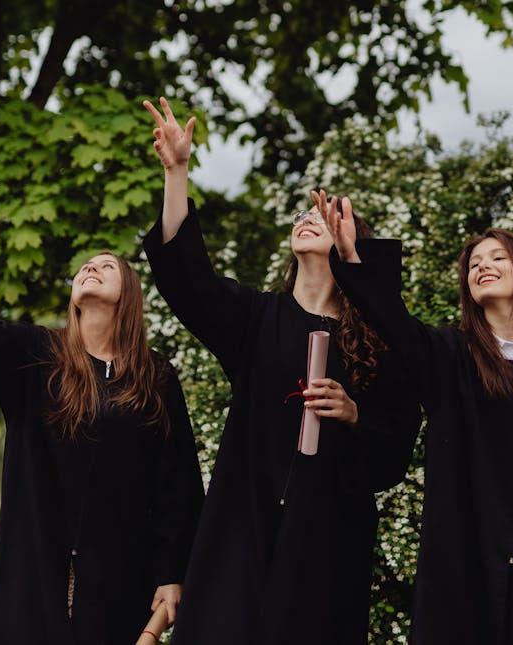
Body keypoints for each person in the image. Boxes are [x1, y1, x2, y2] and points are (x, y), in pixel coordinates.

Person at [142, 97, 421, 645]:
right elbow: (185, 276)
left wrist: (354, 413)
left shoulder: (380, 341)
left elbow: (395, 449)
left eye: (323, 217)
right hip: (241, 527)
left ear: (349, 243)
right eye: (303, 216)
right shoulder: (254, 318)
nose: (306, 219)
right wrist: (177, 172)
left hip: (326, 538)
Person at [321, 195, 513, 645]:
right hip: (463, 566)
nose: (482, 267)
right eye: (473, 265)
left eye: (497, 257)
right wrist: (353, 258)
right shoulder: (449, 357)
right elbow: (394, 322)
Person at [0, 171, 204, 645]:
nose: (91, 269)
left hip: (118, 579)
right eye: (86, 266)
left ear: (129, 297)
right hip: (32, 573)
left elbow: (176, 485)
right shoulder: (35, 356)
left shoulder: (154, 377)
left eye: (107, 266)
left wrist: (169, 577)